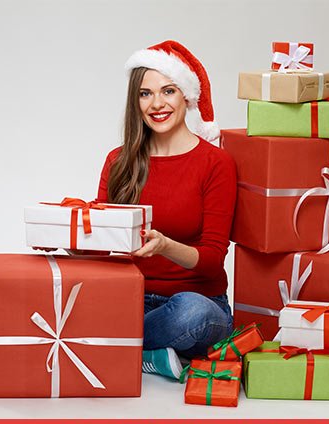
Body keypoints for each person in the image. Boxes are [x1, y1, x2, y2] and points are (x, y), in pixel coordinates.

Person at [98, 39, 237, 380]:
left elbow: (212, 260)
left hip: (196, 302)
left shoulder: (216, 163)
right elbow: (103, 245)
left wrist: (164, 246)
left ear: (186, 97)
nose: (156, 104)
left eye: (168, 91)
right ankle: (154, 355)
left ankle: (113, 344)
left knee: (193, 314)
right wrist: (82, 241)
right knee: (87, 305)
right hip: (131, 300)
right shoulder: (118, 161)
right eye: (145, 94)